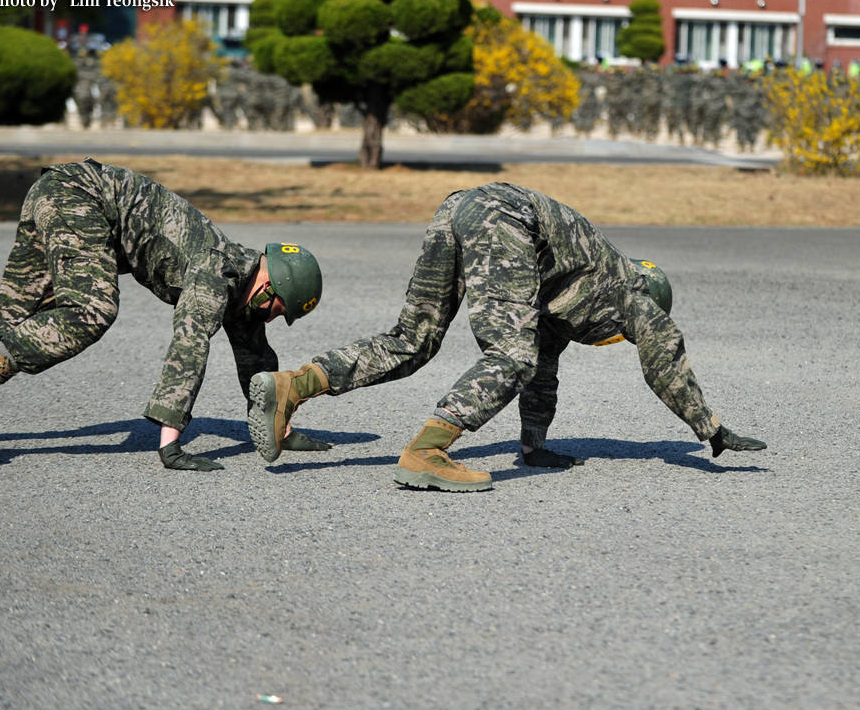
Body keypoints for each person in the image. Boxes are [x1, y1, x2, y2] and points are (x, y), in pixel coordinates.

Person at [246, 182, 766, 492]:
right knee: (510, 354)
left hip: (462, 207)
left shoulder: (575, 284)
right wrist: (710, 428)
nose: (618, 338)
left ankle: (293, 386)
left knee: (414, 339)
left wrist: (534, 445)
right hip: (502, 216)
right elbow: (664, 353)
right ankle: (426, 452)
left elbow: (545, 363)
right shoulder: (628, 289)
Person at [0, 159, 326, 471]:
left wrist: (281, 428)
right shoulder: (217, 270)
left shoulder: (244, 286)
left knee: (16, 324)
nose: (267, 320)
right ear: (269, 287)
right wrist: (170, 444)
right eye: (276, 312)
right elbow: (189, 347)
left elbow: (256, 360)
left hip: (55, 191)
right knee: (92, 308)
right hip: (77, 195)